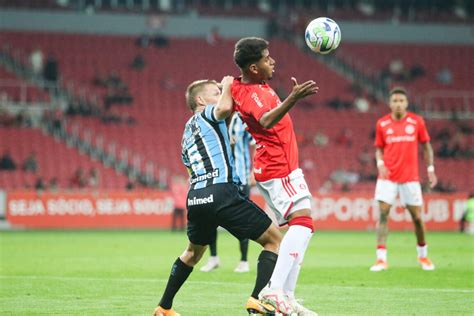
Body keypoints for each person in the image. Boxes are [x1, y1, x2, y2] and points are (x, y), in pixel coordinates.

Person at [153, 76, 282, 316]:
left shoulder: (186, 133)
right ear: (201, 100)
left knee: (193, 253)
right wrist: (228, 83)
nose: (221, 93)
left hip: (196, 197)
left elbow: (189, 167)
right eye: (215, 92)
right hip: (222, 191)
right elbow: (223, 107)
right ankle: (258, 299)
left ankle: (164, 307)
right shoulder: (207, 113)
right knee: (274, 240)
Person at [231, 37, 319, 315]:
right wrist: (293, 98)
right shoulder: (251, 92)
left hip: (281, 166)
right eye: (267, 58)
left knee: (302, 227)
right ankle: (273, 290)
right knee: (302, 224)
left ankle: (287, 297)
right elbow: (266, 120)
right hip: (278, 166)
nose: (273, 61)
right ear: (254, 67)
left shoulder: (251, 85)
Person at [371, 87, 438, 272]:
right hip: (387, 177)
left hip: (410, 179)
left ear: (406, 103)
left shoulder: (417, 122)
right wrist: (380, 163)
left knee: (417, 217)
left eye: (401, 100)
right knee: (383, 215)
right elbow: (379, 148)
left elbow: (427, 146)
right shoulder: (382, 124)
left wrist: (430, 169)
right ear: (390, 103)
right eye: (395, 100)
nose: (398, 103)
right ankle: (381, 259)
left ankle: (423, 256)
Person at [200, 112, 256, 273]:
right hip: (219, 178)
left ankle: (244, 261)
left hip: (241, 177)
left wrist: (253, 171)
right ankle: (213, 258)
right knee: (210, 218)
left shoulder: (242, 119)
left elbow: (257, 143)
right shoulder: (213, 119)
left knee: (243, 220)